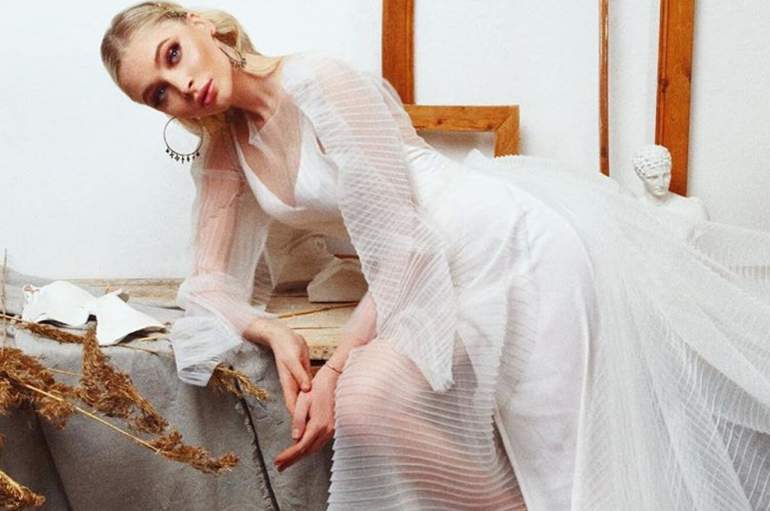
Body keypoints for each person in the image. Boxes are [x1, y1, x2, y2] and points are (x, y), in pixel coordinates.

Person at [101, 3, 770, 510]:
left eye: (172, 54)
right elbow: (206, 285)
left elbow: (402, 236)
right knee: (376, 408)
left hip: (494, 243)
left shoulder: (320, 81)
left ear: (198, 23)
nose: (181, 84)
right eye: (158, 91)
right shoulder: (227, 148)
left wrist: (335, 373)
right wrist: (272, 331)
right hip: (413, 269)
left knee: (562, 455)